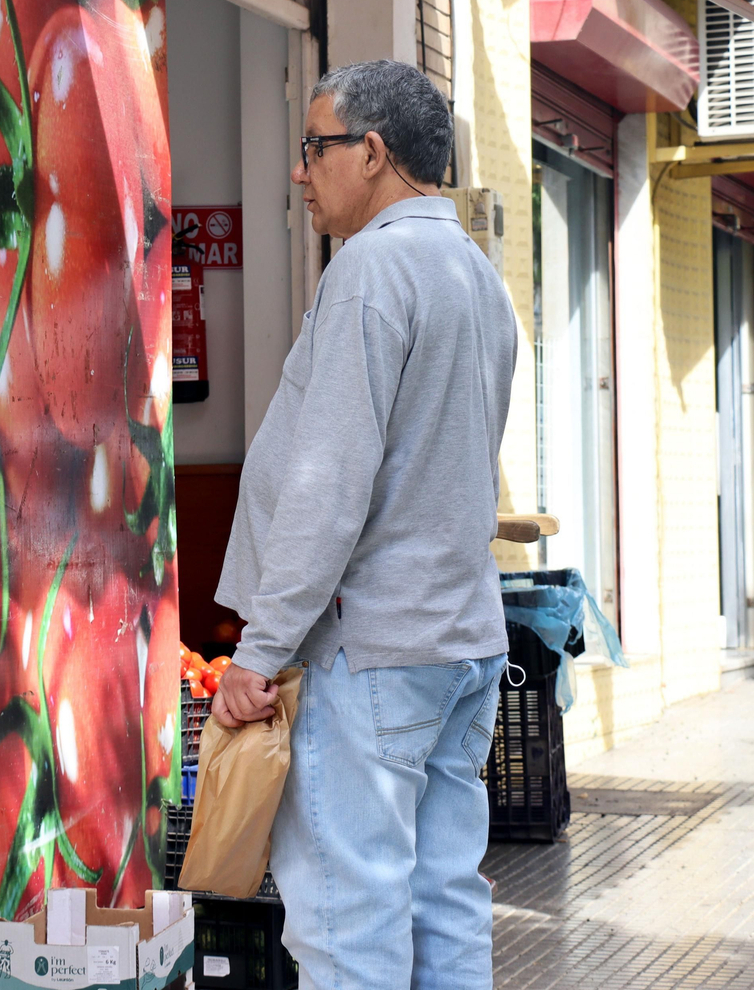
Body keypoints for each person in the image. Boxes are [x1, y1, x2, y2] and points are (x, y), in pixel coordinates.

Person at [211, 59, 518, 989]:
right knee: (443, 906)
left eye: (315, 148)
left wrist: (259, 652)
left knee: (350, 927)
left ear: (373, 153)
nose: (300, 173)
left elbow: (327, 484)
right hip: (460, 641)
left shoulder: (373, 271)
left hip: (374, 650)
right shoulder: (478, 276)